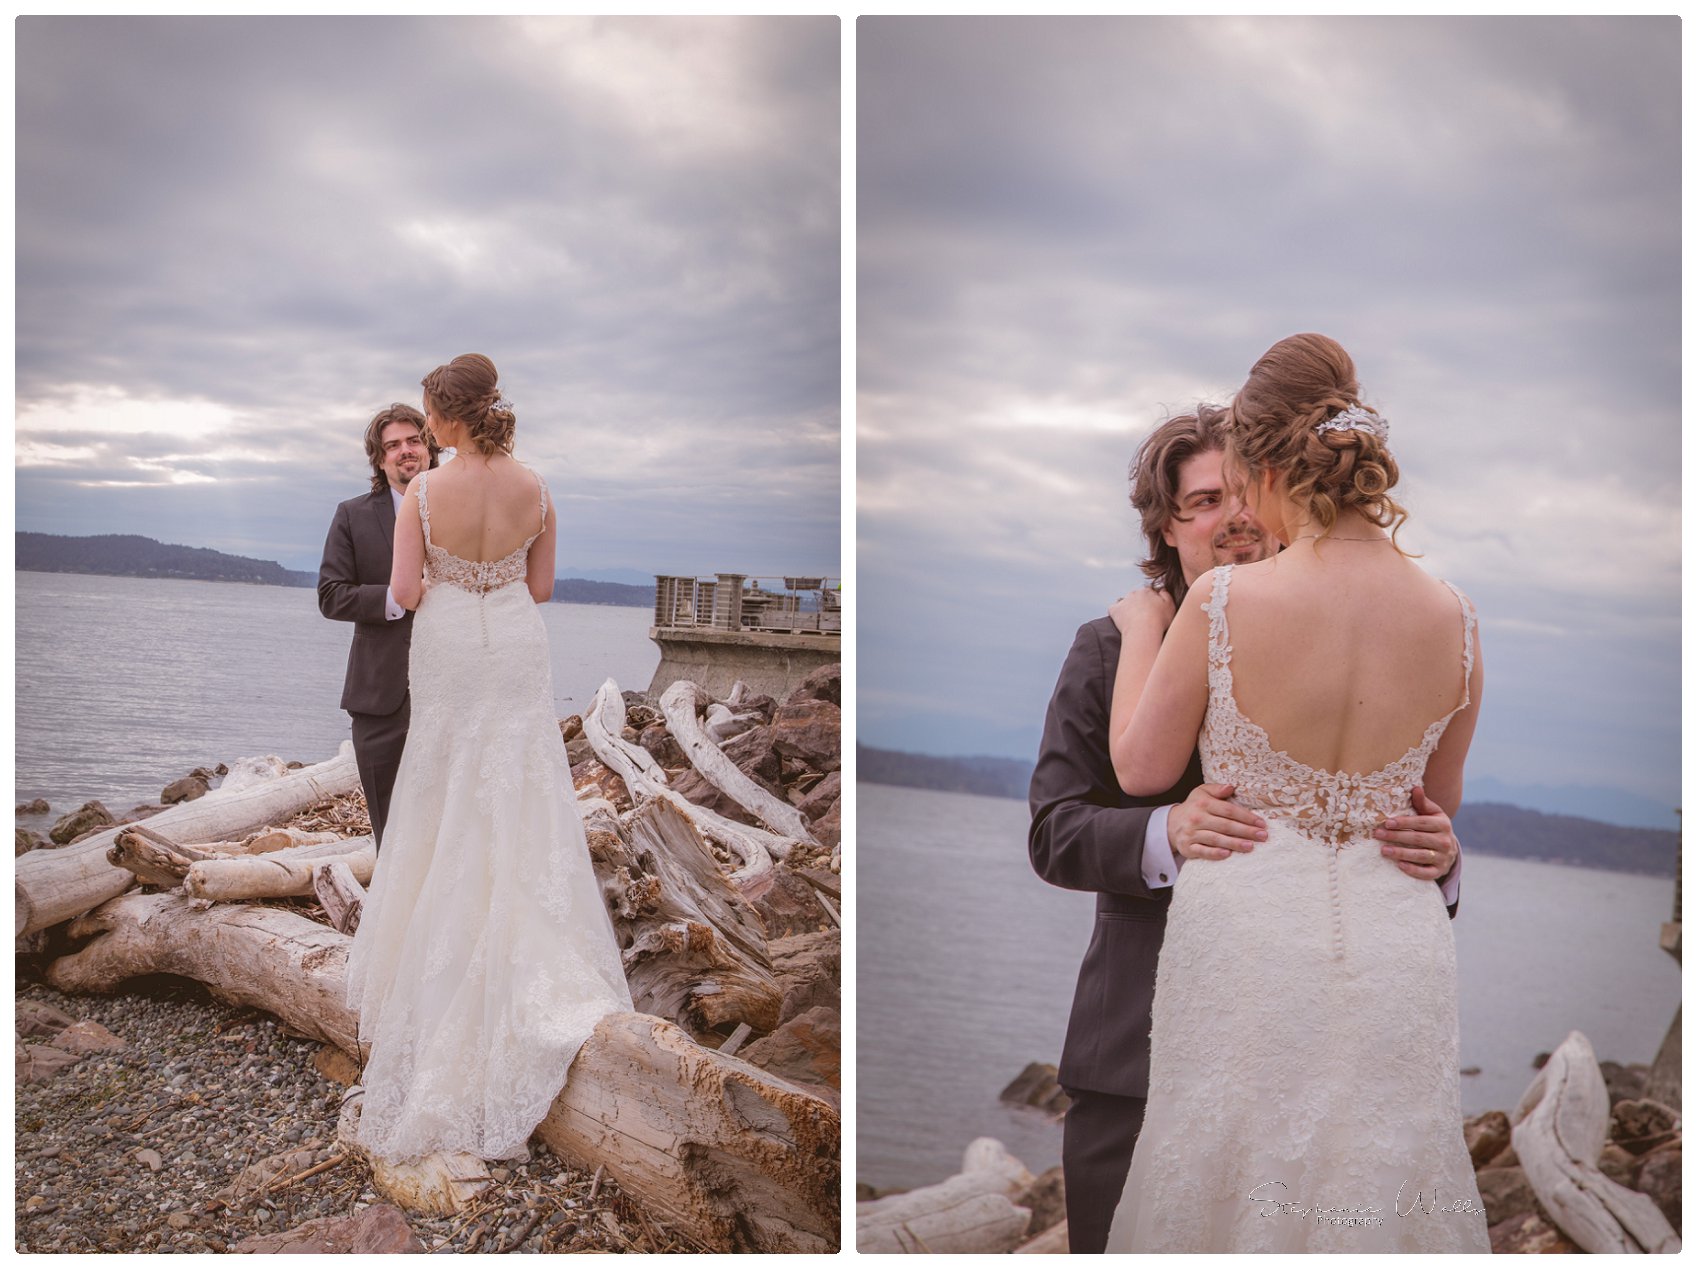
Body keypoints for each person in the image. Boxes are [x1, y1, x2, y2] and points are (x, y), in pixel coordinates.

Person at [1029, 404, 1462, 1253]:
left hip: (1319, 1058)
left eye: (1241, 491)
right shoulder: (1110, 647)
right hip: (1134, 1057)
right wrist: (1167, 832)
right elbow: (1054, 830)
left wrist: (1440, 859)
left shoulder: (1360, 635)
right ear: (1162, 524)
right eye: (1199, 501)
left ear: (1278, 491)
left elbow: (1391, 806)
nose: (1229, 517)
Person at [345, 353, 632, 1165]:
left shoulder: (424, 494)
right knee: (519, 787)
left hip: (446, 647)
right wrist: (490, 585)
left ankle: (433, 973)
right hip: (513, 642)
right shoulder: (536, 487)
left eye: (430, 413)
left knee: (439, 788)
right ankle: (521, 947)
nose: (424, 427)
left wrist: (446, 582)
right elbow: (540, 588)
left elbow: (404, 589)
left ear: (450, 413)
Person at [318, 404, 440, 851]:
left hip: (454, 689)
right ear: (379, 458)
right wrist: (398, 597)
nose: (404, 451)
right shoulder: (352, 515)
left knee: (451, 824)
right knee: (390, 833)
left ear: (430, 447)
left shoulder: (458, 508)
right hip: (379, 699)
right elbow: (331, 595)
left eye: (413, 441)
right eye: (392, 446)